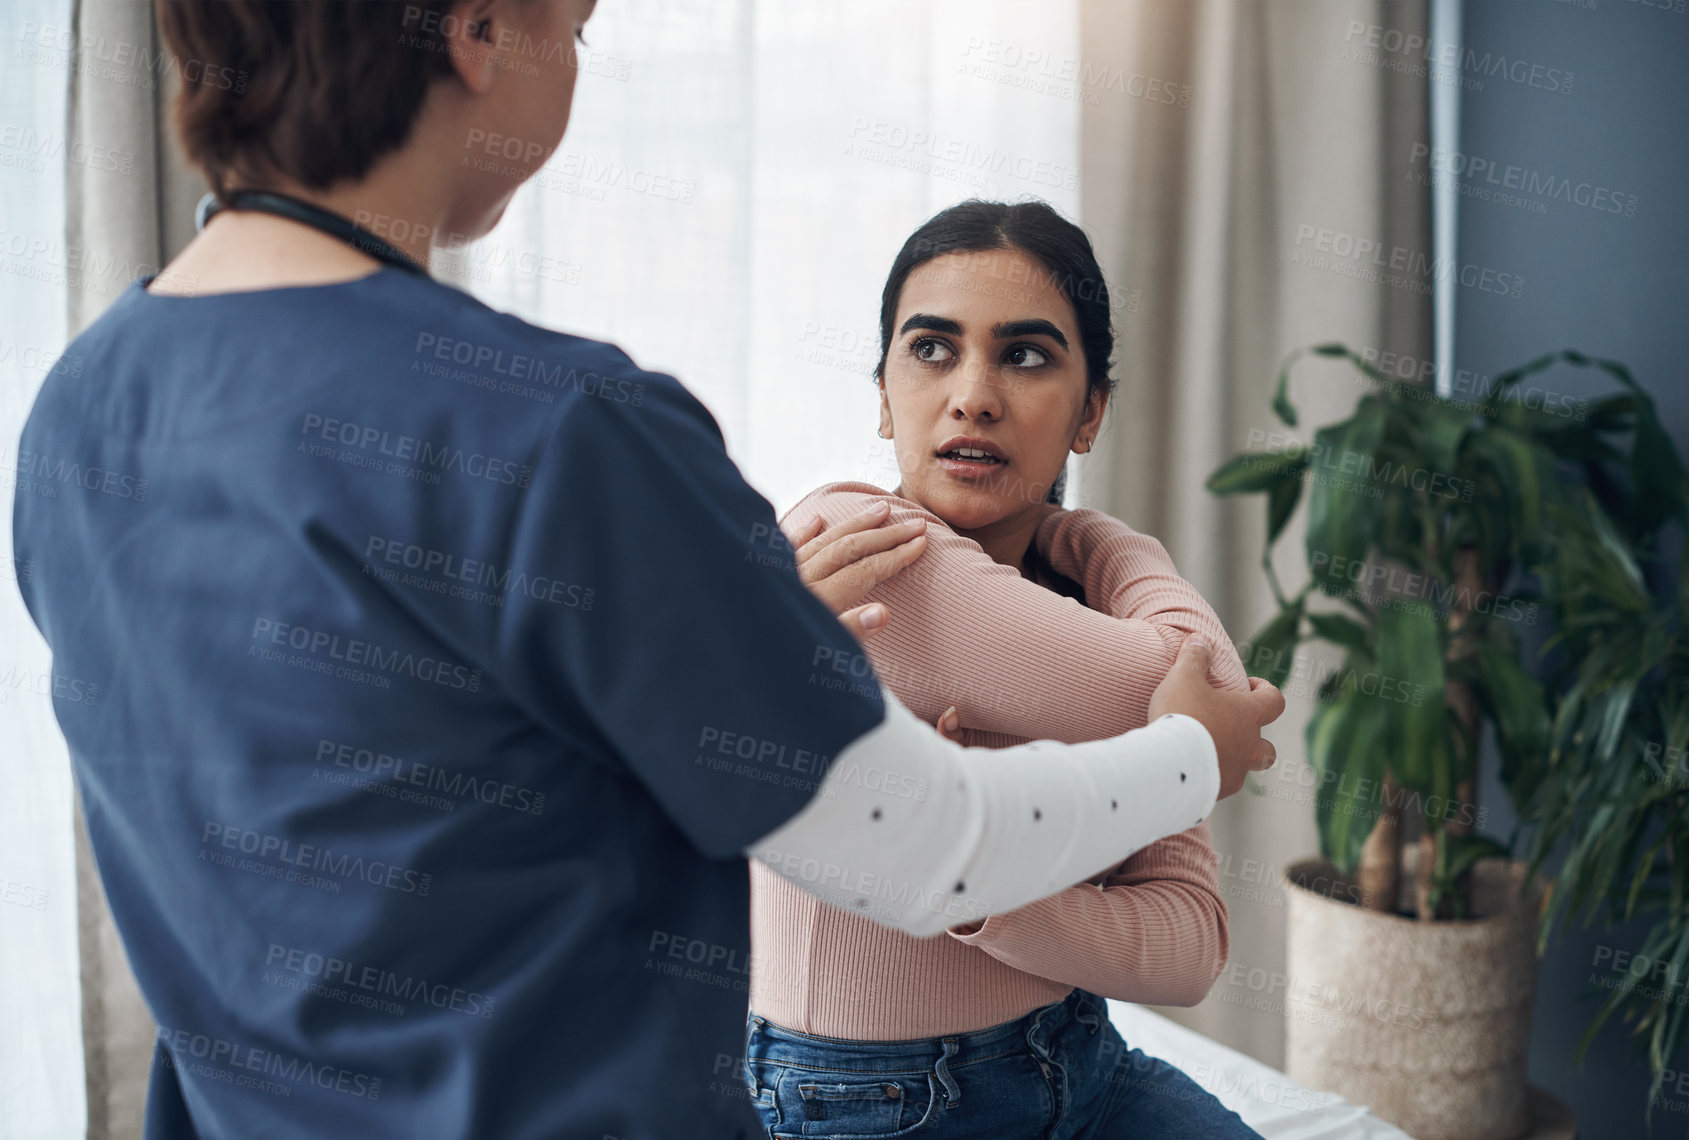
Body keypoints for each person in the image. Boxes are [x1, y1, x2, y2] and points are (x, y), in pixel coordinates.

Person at [10, 4, 1282, 1138]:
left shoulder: (76, 412)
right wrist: (1189, 755)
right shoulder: (558, 429)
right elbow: (927, 847)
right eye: (579, 28)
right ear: (477, 33)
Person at [745, 200, 1267, 1138]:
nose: (972, 394)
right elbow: (1214, 704)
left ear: (1090, 413)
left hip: (1077, 1060)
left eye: (1025, 355)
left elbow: (1188, 949)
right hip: (873, 1101)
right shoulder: (859, 547)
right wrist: (1120, 551)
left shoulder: (1085, 599)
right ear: (881, 392)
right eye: (931, 349)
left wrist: (977, 883)